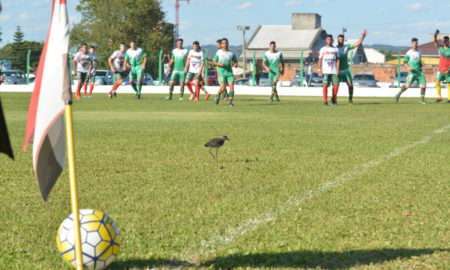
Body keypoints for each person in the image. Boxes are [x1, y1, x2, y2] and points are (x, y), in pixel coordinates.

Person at [337, 30, 367, 103]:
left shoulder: (346, 47)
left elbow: (357, 44)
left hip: (346, 70)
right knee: (335, 86)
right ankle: (334, 99)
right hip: (337, 70)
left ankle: (350, 99)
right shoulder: (335, 48)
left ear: (344, 40)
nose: (340, 40)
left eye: (342, 39)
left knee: (350, 85)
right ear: (337, 40)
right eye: (339, 39)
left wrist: (363, 36)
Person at [395, 38, 427, 104]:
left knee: (423, 85)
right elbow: (404, 62)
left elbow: (420, 61)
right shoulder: (409, 53)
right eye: (414, 43)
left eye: (417, 43)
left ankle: (422, 100)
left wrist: (422, 64)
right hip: (412, 72)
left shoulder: (419, 52)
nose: (416, 45)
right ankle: (398, 94)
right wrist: (408, 68)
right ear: (412, 44)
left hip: (419, 72)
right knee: (407, 86)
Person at [213, 38, 238, 107]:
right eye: (224, 43)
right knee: (223, 87)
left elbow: (235, 61)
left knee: (232, 87)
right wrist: (219, 64)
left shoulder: (231, 53)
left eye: (226, 43)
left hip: (229, 73)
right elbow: (214, 62)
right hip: (221, 73)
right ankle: (217, 96)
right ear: (221, 45)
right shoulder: (218, 52)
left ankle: (230, 102)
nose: (225, 44)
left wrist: (235, 64)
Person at [319, 35, 340, 105]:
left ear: (332, 40)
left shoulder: (336, 49)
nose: (329, 41)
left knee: (336, 85)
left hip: (334, 71)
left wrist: (337, 69)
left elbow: (338, 60)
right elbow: (320, 60)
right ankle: (325, 100)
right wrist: (320, 69)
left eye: (330, 40)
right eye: (328, 39)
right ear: (326, 40)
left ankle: (334, 99)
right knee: (325, 85)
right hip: (325, 71)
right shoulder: (323, 49)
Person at [433, 30, 450, 103]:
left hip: (448, 70)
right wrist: (435, 35)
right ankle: (439, 97)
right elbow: (435, 42)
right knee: (437, 82)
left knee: (449, 84)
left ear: (448, 41)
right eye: (444, 40)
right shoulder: (440, 48)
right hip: (441, 70)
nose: (445, 42)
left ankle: (449, 99)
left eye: (446, 40)